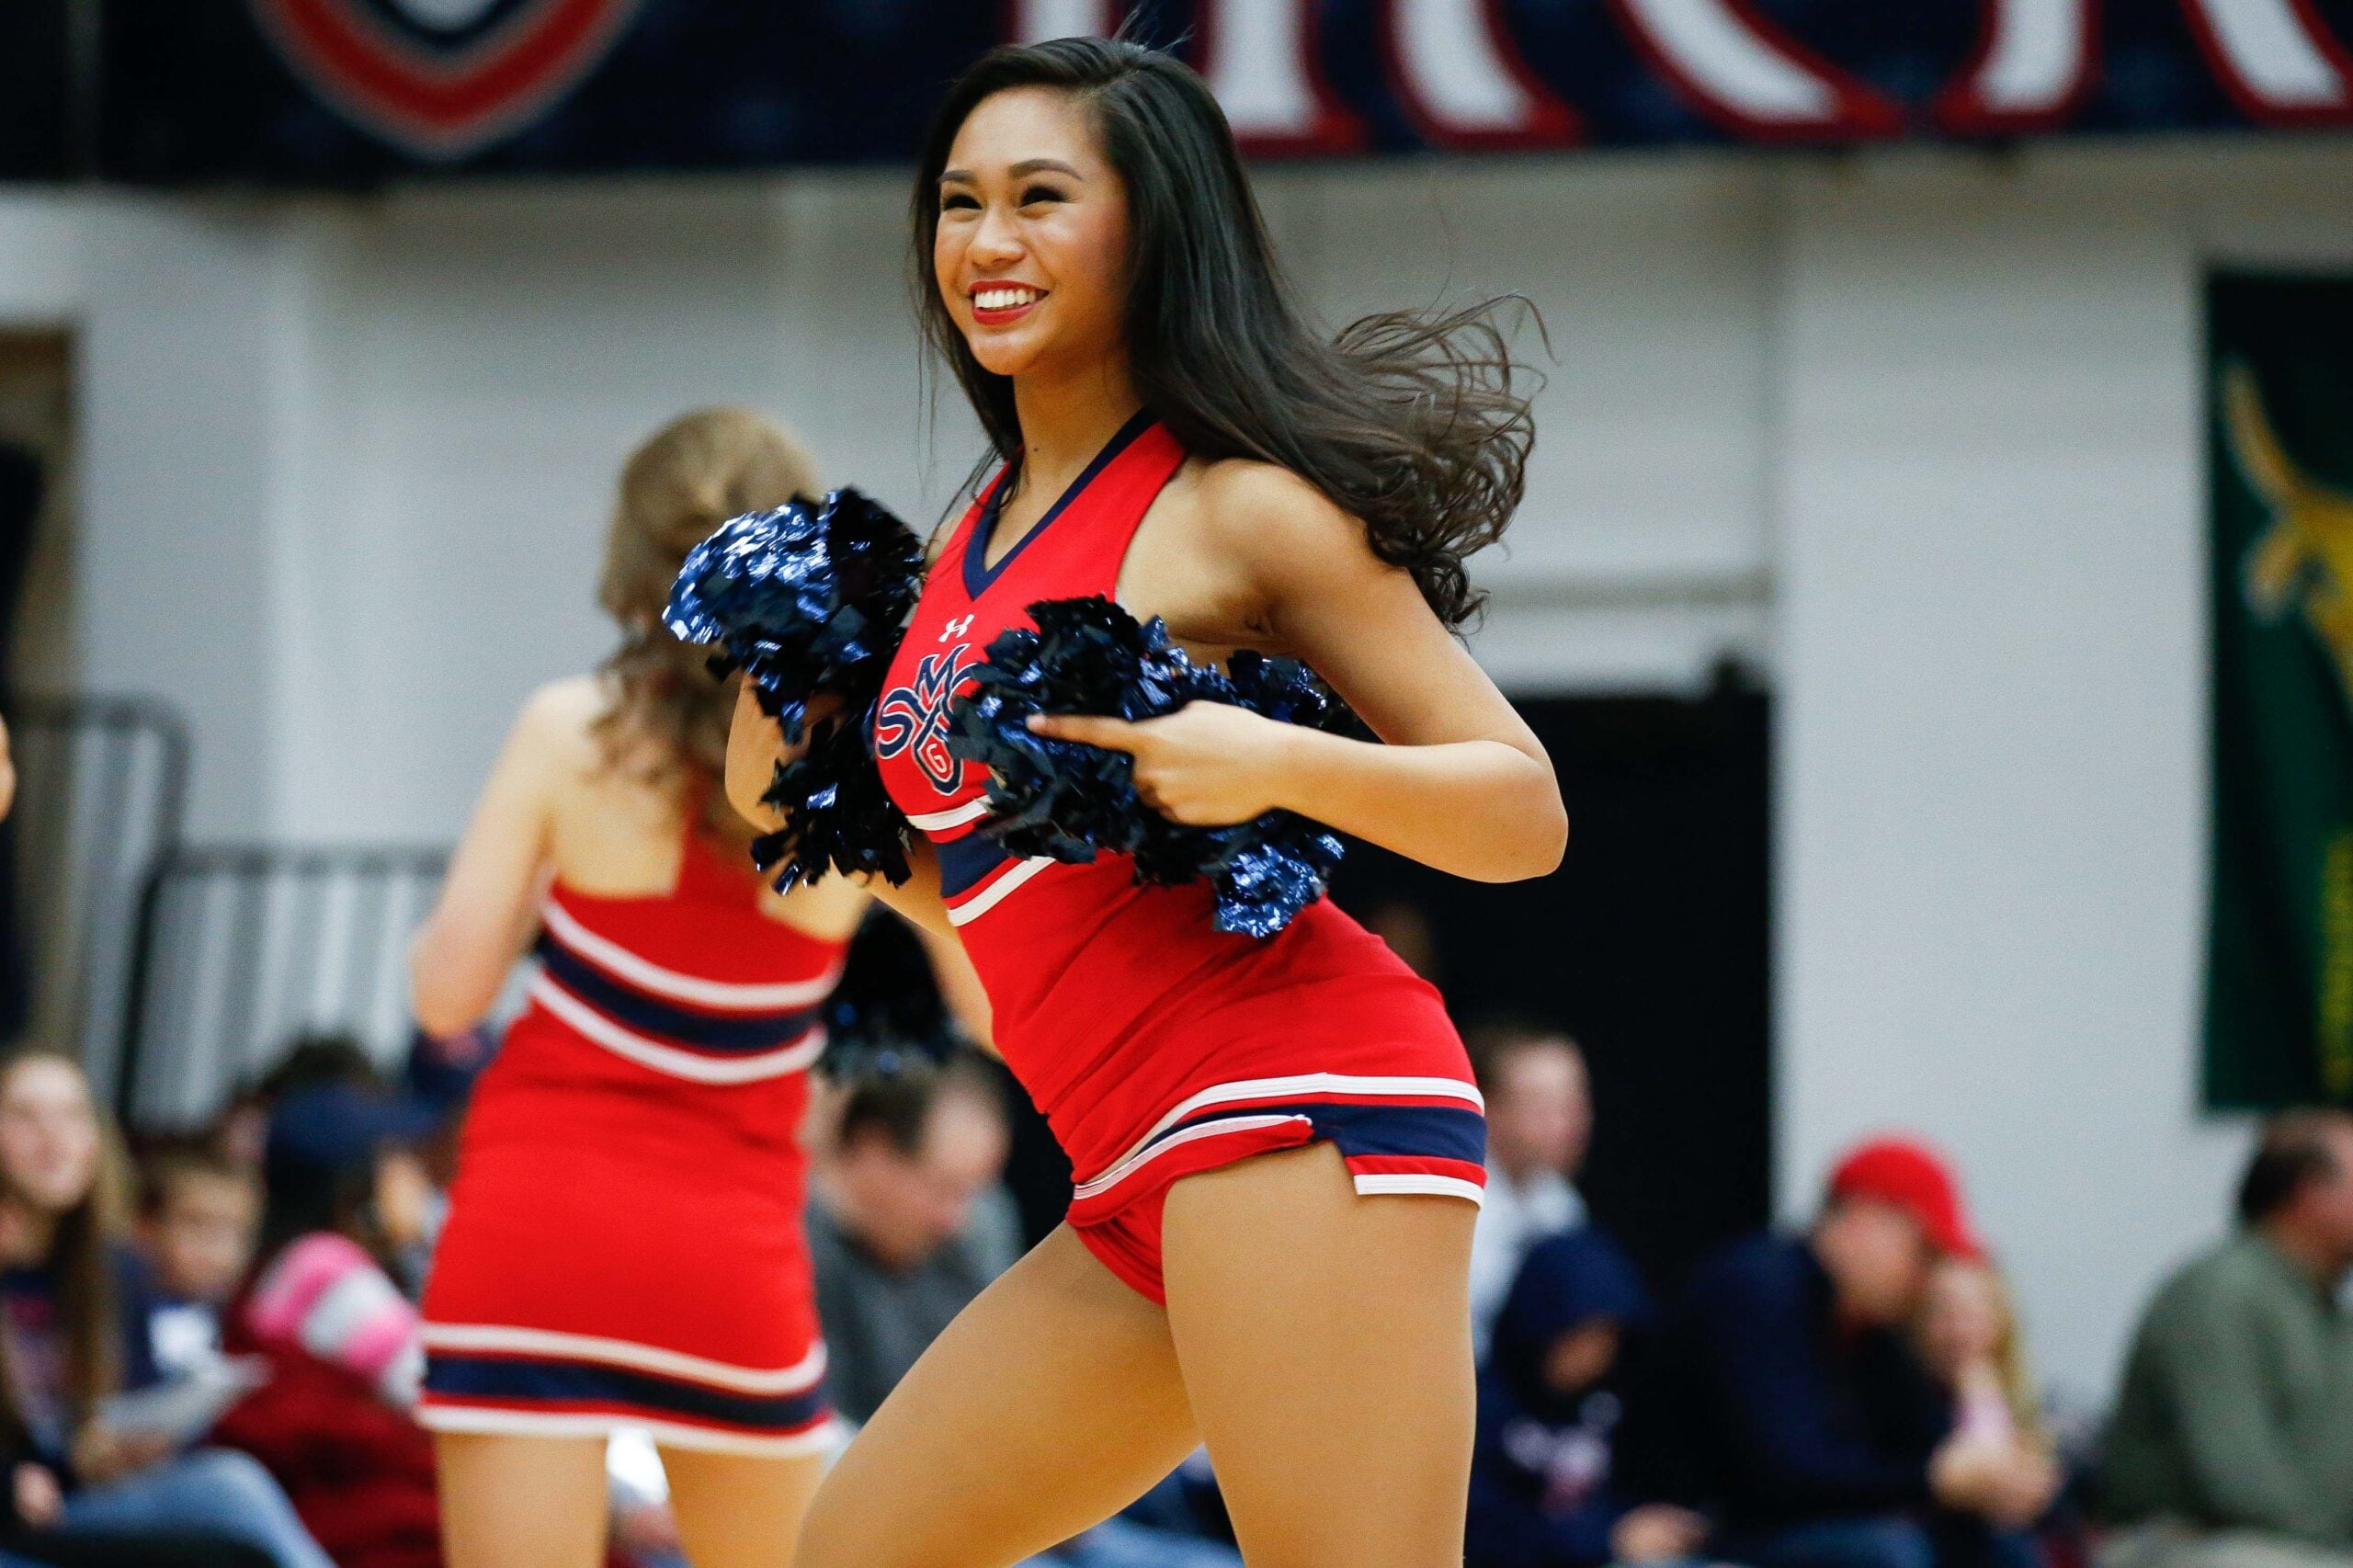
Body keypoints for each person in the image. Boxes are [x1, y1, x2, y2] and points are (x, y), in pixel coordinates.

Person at [733, 34, 1566, 1566]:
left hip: (1294, 1107)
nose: (987, 241)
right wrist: (805, 776)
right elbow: (987, 908)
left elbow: (1524, 809)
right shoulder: (969, 533)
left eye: (1041, 197)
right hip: (1122, 1158)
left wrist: (1280, 763)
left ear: (1150, 225)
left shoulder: (1237, 507)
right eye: (961, 201)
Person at [409, 409, 874, 1568]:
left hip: (532, 1229)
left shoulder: (566, 730)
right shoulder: (860, 770)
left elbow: (444, 999)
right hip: (730, 1254)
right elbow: (995, 1010)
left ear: (633, 561)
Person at [0, 1050, 332, 1568]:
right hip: (13, 1521)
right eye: (24, 1115)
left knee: (230, 1521)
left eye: (71, 1115)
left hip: (74, 1505)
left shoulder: (113, 1271)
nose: (53, 1137)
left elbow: (129, 1413)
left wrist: (119, 1451)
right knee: (230, 1491)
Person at [1661, 1136, 2056, 1568]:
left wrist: (2000, 1477)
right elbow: (1785, 1474)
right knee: (1887, 1555)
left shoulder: (1869, 1328)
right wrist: (1935, 1477)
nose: (1925, 1279)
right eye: (1923, 1253)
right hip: (1710, 1530)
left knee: (1999, 1543)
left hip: (1801, 1524)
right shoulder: (1757, 1287)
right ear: (1863, 1220)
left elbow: (1922, 1438)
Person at [2098, 1110, 2353, 1568]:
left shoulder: (2328, 1309)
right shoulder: (2220, 1294)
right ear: (2308, 1193)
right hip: (2186, 1543)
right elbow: (2240, 1481)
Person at [1467, 1229, 1707, 1568]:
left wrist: (1653, 1526)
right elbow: (1476, 1530)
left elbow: (1634, 1490)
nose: (1593, 1356)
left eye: (1606, 1338)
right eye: (1579, 1336)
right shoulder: (1480, 1409)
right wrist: (1605, 1537)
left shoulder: (1609, 1403)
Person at [806, 1056, 1020, 1428]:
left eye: (973, 1191)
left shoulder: (982, 1225)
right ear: (871, 1149)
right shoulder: (795, 1253)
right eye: (942, 1190)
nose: (957, 1220)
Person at [1466, 1022, 1593, 1351]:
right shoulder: (1459, 1202)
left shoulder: (1559, 1201)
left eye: (1575, 1102)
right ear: (1488, 1107)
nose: (1568, 1123)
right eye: (1541, 1104)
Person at [132, 1148, 263, 1380]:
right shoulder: (120, 1312)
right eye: (198, 1224)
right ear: (145, 1228)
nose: (218, 1247)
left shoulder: (245, 1318)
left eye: (236, 1232)